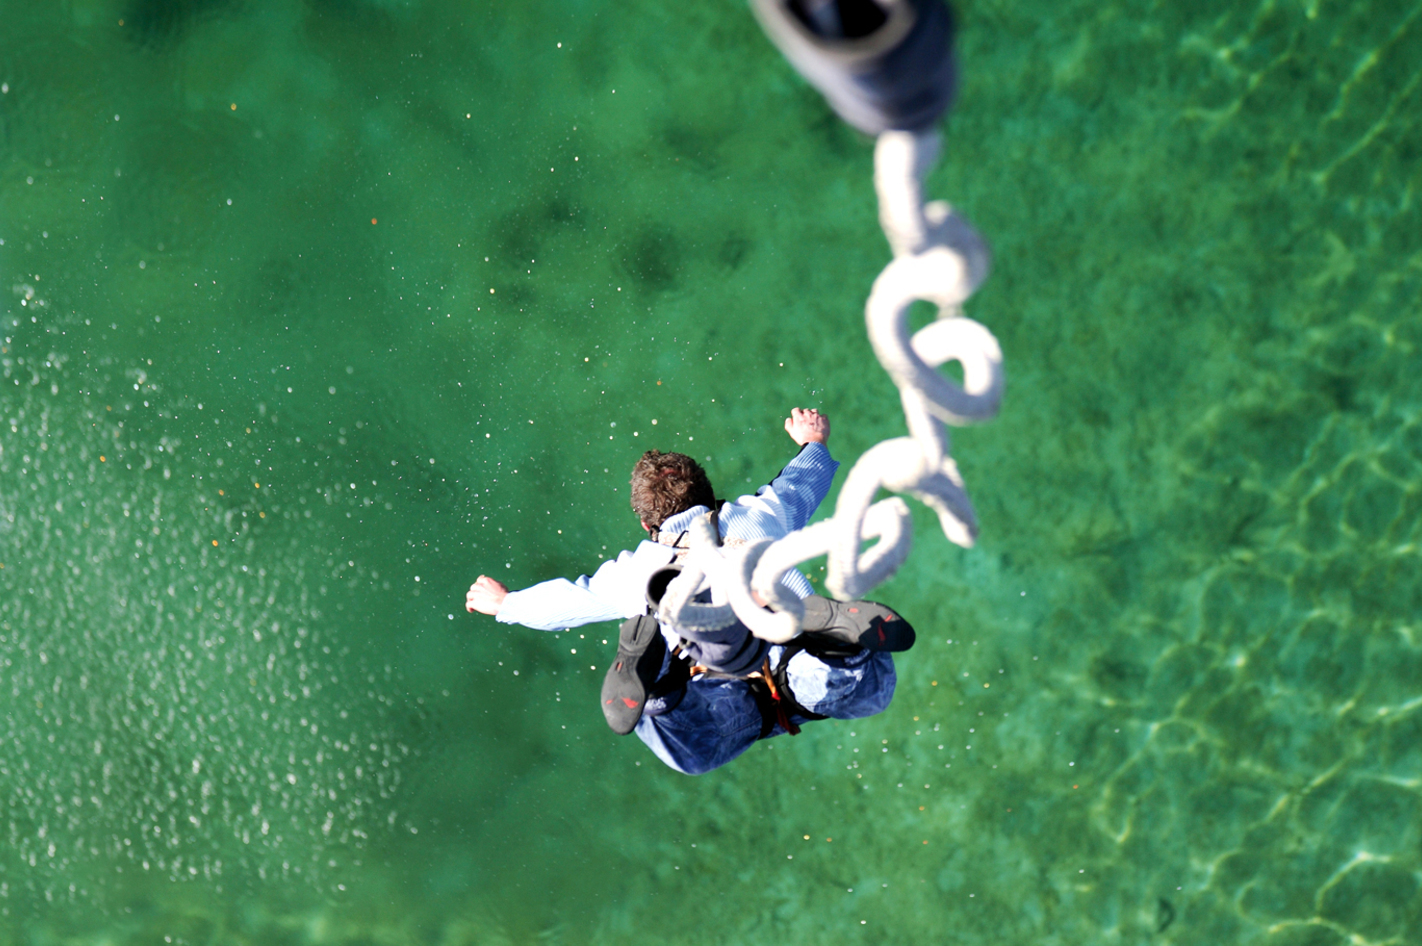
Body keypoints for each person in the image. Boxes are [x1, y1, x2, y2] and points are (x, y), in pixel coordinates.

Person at [465, 408, 915, 775]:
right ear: (709, 493)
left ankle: (660, 687)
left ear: (646, 524)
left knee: (689, 750)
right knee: (872, 687)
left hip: (733, 692)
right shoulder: (762, 513)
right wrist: (813, 441)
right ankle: (834, 645)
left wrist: (507, 604)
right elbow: (802, 482)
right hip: (795, 662)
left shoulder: (641, 572)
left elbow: (570, 601)